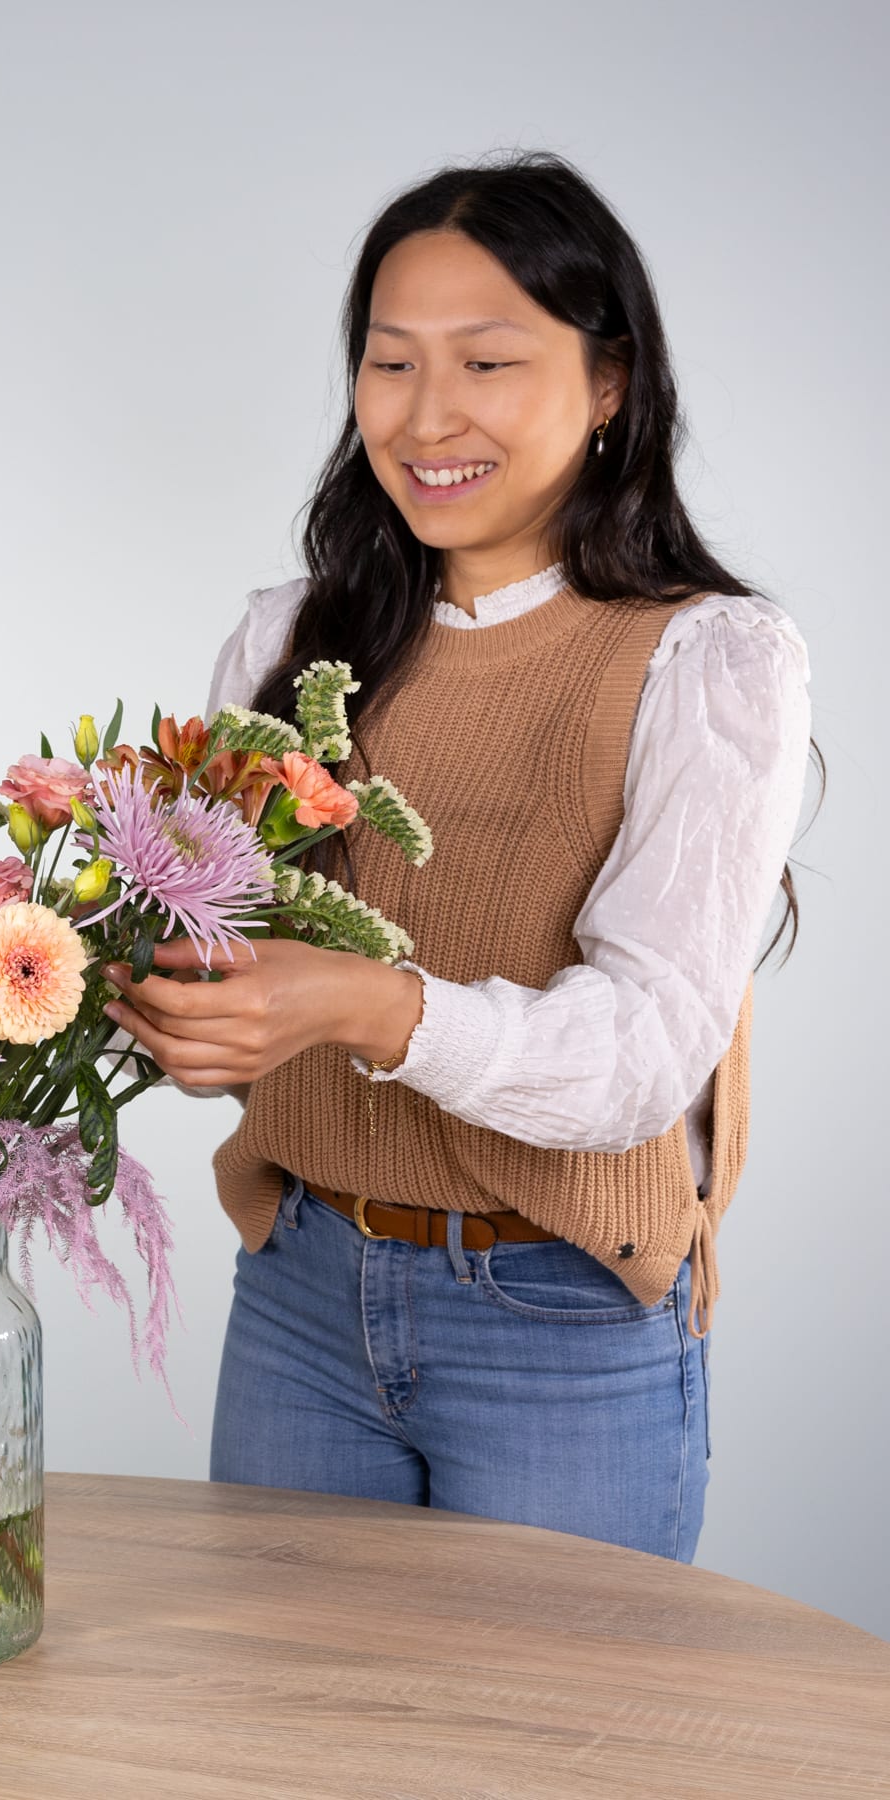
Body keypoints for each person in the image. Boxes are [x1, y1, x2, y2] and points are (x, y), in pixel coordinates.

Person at [98, 150, 814, 1564]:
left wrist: (367, 1006)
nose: (428, 417)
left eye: (488, 363)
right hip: (303, 1286)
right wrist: (148, 985)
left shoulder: (705, 659)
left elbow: (643, 1055)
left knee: (548, 1772)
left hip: (560, 1316)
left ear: (609, 383)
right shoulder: (290, 638)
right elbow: (225, 937)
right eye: (389, 364)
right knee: (291, 1758)